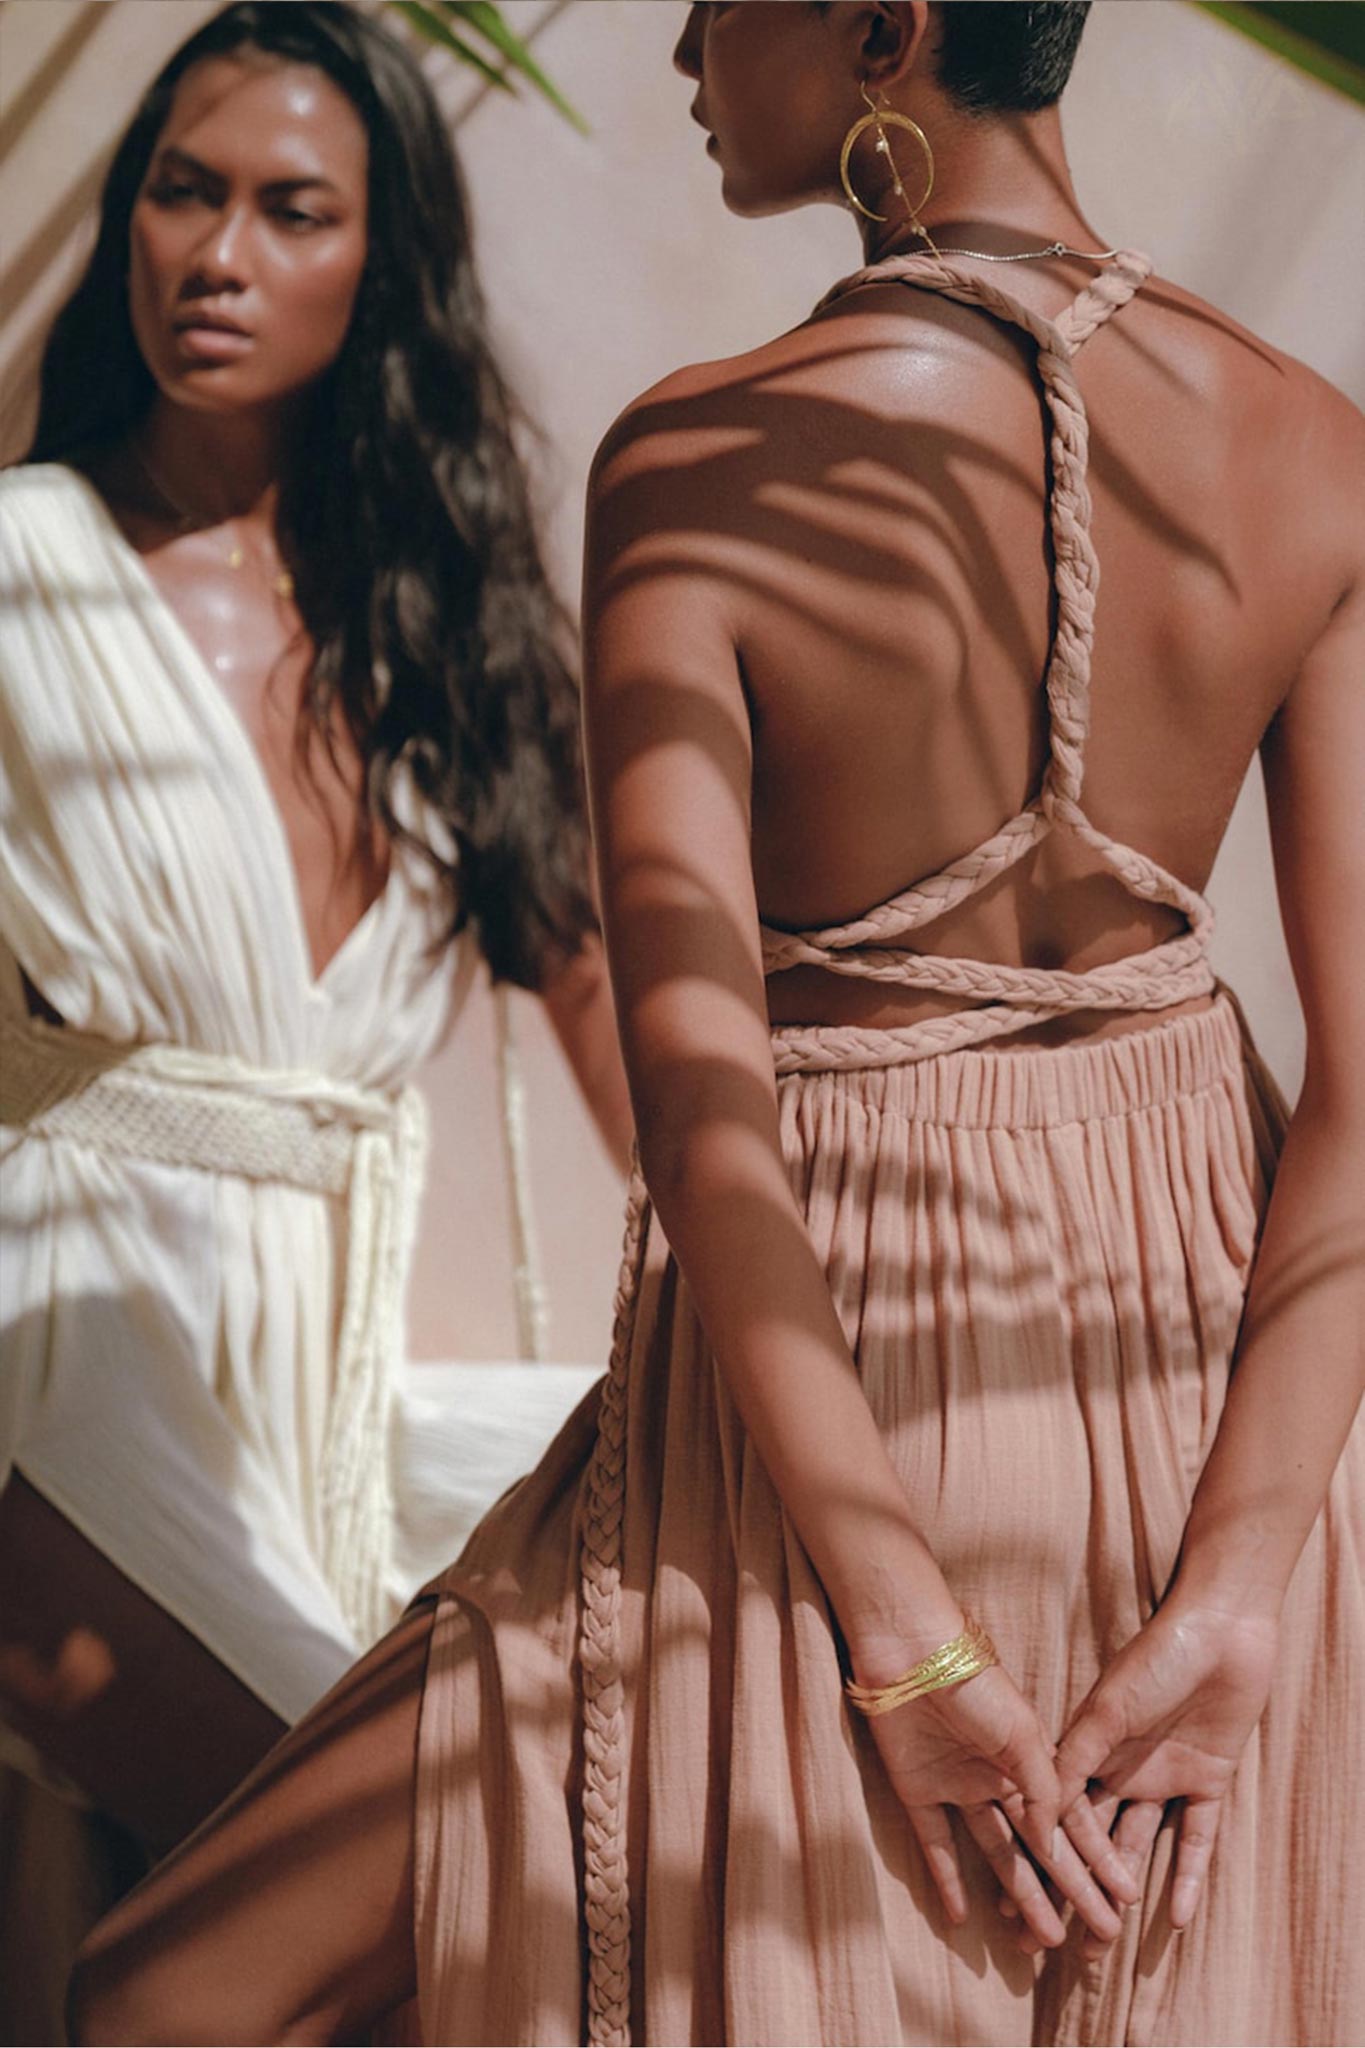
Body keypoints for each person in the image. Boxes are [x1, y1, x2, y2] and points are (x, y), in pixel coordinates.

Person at [69, 2, 1364, 2043]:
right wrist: (1235, 1596)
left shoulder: (703, 452)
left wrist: (907, 1638)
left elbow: (706, 1116)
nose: (678, 40)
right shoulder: (1302, 439)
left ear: (882, 29)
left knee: (161, 1989)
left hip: (826, 1398)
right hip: (1197, 1401)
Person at [0, 0, 630, 1911]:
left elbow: (602, 996)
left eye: (291, 211)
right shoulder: (23, 563)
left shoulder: (435, 631)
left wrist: (781, 1331)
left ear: (385, 266)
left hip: (320, 1381)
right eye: (182, 195)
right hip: (57, 1329)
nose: (215, 256)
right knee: (375, 1899)